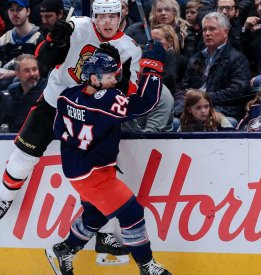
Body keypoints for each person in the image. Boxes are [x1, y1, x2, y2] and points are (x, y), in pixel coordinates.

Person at [0, 0, 142, 265]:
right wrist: (53, 40)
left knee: (96, 174)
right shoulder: (77, 27)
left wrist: (119, 86)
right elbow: (44, 59)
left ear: (121, 14)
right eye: (102, 16)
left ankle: (103, 234)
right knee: (25, 153)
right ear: (94, 16)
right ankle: (5, 197)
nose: (107, 22)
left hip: (92, 115)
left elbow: (131, 91)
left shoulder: (130, 48)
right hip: (55, 101)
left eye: (112, 16)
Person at [47, 41, 171, 275]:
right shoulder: (105, 101)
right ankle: (147, 266)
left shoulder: (67, 96)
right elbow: (146, 103)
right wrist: (152, 67)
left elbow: (57, 130)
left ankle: (66, 250)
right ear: (94, 79)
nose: (115, 80)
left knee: (94, 215)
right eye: (111, 76)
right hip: (95, 174)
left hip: (77, 170)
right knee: (132, 212)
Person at [176, 12, 251, 123]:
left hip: (222, 110)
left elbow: (237, 92)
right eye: (205, 29)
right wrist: (180, 108)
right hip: (192, 111)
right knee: (174, 121)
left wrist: (203, 98)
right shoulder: (196, 58)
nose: (207, 33)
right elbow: (183, 88)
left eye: (212, 29)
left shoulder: (237, 59)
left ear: (225, 32)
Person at [0, 0, 44, 88]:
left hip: (26, 84)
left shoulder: (39, 38)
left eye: (19, 9)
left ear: (28, 11)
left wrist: (14, 74)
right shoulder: (4, 39)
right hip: (1, 82)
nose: (15, 13)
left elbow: (39, 70)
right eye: (11, 10)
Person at [4, 54, 44, 133]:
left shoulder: (47, 91)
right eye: (27, 71)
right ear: (17, 74)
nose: (32, 74)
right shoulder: (13, 93)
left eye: (34, 69)